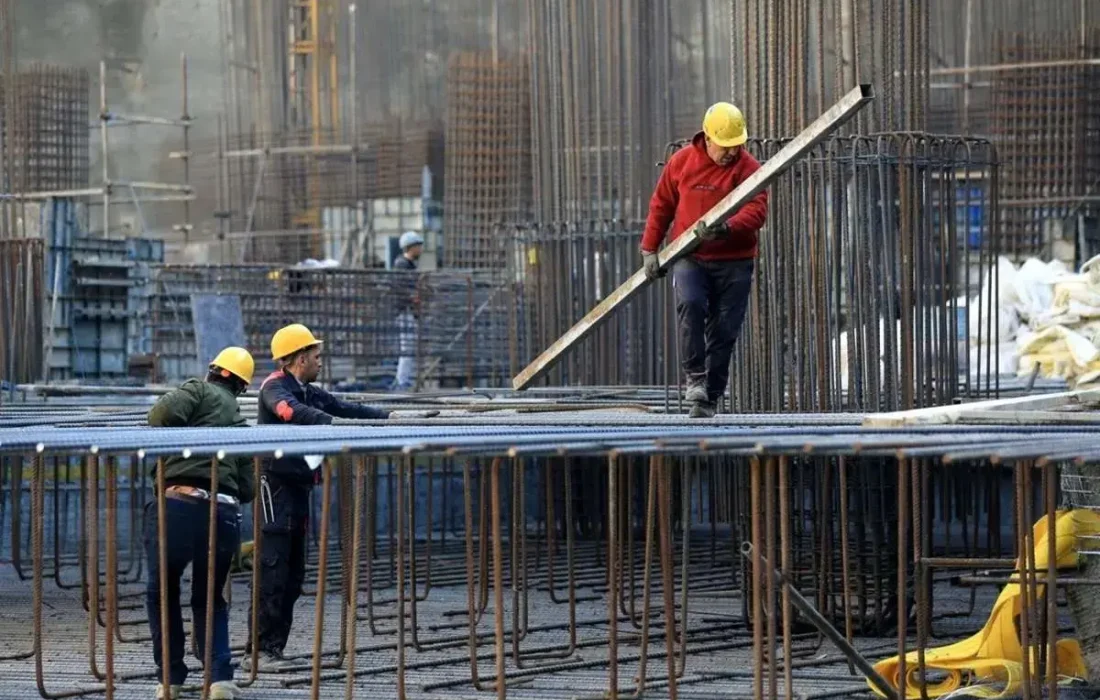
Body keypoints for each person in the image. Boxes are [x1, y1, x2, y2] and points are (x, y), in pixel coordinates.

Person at [247, 323, 392, 670]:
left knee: (294, 576)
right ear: (299, 359)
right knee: (273, 572)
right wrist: (331, 424)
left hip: (298, 487)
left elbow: (346, 407)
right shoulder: (274, 388)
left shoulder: (308, 392)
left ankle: (274, 647)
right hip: (275, 489)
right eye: (315, 356)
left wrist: (389, 418)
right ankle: (260, 650)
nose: (320, 362)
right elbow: (290, 412)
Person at [640, 101, 769, 419]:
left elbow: (757, 211)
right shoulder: (682, 162)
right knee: (692, 304)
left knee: (725, 330)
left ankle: (709, 397)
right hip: (691, 256)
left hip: (735, 261)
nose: (732, 152)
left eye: (737, 145)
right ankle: (695, 379)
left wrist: (727, 228)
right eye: (725, 146)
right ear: (708, 138)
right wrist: (649, 249)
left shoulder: (749, 168)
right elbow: (662, 205)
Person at [145, 347, 256, 700]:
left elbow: (159, 415)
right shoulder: (240, 424)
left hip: (178, 505)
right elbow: (248, 489)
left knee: (162, 593)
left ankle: (170, 680)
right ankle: (220, 679)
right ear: (241, 387)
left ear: (214, 370)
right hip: (223, 514)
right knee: (210, 596)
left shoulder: (197, 389)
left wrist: (183, 443)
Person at [392, 231, 424, 391]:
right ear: (410, 247)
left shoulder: (410, 265)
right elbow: (401, 288)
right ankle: (402, 381)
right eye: (418, 246)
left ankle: (404, 379)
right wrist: (413, 297)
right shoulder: (402, 264)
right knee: (407, 346)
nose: (420, 249)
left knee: (410, 347)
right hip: (404, 311)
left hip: (410, 311)